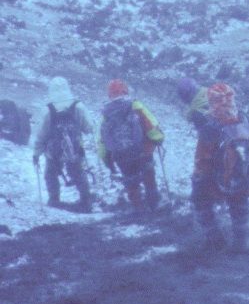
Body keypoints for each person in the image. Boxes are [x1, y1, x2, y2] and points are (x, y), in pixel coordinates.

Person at [191, 82, 249, 253]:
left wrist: (199, 180)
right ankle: (241, 243)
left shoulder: (210, 127)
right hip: (243, 178)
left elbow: (202, 160)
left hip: (217, 180)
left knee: (201, 203)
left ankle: (215, 240)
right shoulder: (244, 120)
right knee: (240, 206)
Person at [98, 79, 164, 212]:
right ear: (125, 91)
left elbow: (102, 139)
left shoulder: (106, 112)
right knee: (148, 176)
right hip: (142, 151)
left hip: (120, 155)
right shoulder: (135, 105)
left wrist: (106, 159)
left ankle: (137, 207)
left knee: (130, 181)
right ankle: (154, 204)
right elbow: (149, 124)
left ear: (109, 95)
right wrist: (158, 138)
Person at [32, 76, 94, 211]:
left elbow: (42, 135)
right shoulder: (78, 106)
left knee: (51, 174)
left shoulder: (48, 110)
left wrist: (36, 153)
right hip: (74, 147)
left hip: (53, 150)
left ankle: (54, 199)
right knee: (78, 172)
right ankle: (86, 199)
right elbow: (89, 128)